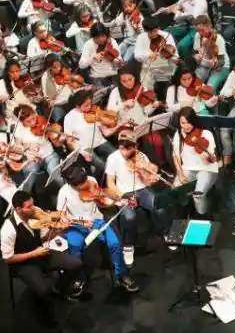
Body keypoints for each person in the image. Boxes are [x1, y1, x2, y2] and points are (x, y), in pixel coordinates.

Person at [0, 191, 83, 326]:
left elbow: (44, 238)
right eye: (29, 207)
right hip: (23, 263)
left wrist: (59, 230)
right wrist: (33, 254)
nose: (34, 209)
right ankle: (47, 313)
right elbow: (8, 259)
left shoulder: (35, 215)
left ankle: (59, 289)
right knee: (44, 291)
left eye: (33, 204)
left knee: (75, 264)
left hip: (41, 254)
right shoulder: (9, 228)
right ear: (18, 209)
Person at [56, 167, 139, 292]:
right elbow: (61, 215)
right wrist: (80, 222)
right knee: (74, 246)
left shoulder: (91, 181)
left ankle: (122, 275)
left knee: (115, 243)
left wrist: (122, 201)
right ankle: (80, 277)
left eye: (85, 180)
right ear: (72, 184)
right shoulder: (64, 192)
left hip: (97, 221)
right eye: (81, 183)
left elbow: (101, 199)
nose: (86, 184)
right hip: (76, 225)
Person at [104, 133, 170, 266]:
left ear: (135, 146)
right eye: (122, 148)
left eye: (128, 149)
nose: (125, 152)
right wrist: (122, 196)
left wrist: (150, 178)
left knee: (160, 208)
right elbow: (110, 183)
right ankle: (128, 245)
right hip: (124, 192)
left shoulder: (141, 156)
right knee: (129, 217)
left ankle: (166, 232)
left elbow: (147, 179)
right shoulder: (112, 158)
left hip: (143, 189)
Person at [172, 107, 220, 216]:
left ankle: (202, 215)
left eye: (189, 122)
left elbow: (211, 157)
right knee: (175, 190)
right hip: (187, 168)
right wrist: (180, 173)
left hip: (206, 169)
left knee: (198, 195)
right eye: (183, 123)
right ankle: (185, 213)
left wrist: (208, 157)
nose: (186, 126)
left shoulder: (206, 133)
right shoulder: (178, 134)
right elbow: (176, 156)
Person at [62, 90, 122, 178]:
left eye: (90, 103)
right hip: (85, 148)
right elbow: (70, 142)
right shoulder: (69, 117)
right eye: (86, 105)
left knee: (119, 156)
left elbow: (106, 132)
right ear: (77, 105)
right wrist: (83, 153)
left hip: (100, 142)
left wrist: (118, 126)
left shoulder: (95, 111)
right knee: (104, 166)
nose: (89, 107)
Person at [191, 15, 230, 90]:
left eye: (202, 30)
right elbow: (194, 52)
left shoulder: (218, 38)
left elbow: (222, 61)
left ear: (209, 26)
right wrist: (195, 56)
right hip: (204, 65)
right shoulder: (197, 35)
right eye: (198, 30)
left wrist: (215, 63)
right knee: (193, 85)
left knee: (209, 89)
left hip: (220, 68)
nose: (200, 33)